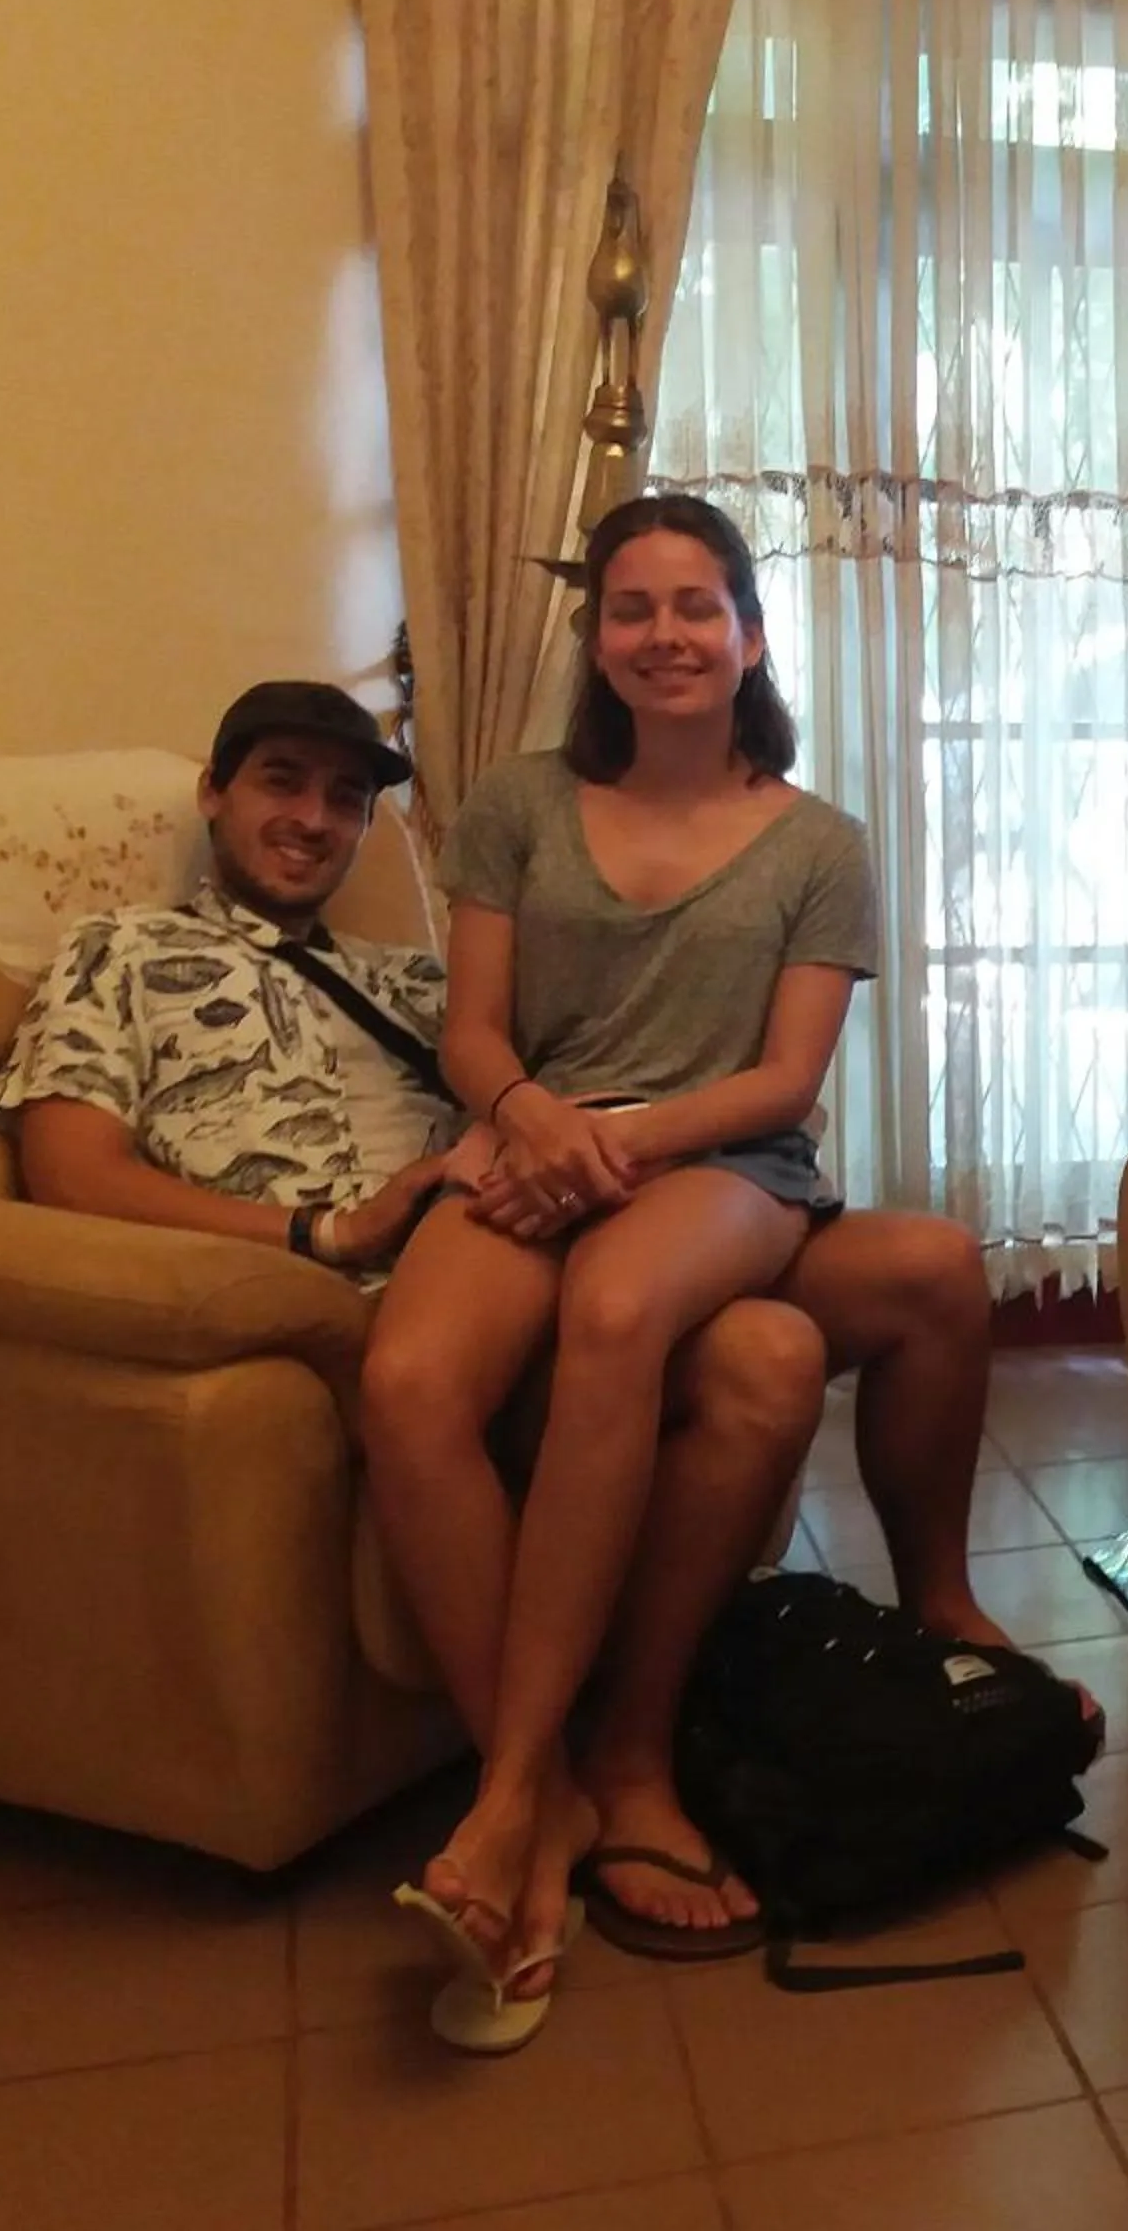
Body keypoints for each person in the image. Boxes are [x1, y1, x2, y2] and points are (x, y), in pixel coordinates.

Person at [0, 678, 825, 2038]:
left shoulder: (422, 985)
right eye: (279, 780)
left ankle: (624, 1751)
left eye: (342, 796)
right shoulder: (121, 953)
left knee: (774, 1353)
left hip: (516, 1249)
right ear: (214, 793)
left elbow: (557, 1093)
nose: (312, 819)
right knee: (453, 1370)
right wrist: (321, 1227)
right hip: (321, 1289)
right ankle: (540, 1790)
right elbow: (68, 1165)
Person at [350, 493, 961, 2026]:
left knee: (622, 1306)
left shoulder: (823, 841)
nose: (668, 633)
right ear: (598, 638)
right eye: (635, 607)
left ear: (749, 634)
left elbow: (783, 1081)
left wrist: (611, 1147)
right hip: (526, 1136)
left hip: (718, 1162)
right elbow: (473, 1029)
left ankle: (519, 1802)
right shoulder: (515, 801)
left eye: (700, 605)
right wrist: (535, 1122)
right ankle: (540, 1787)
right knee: (411, 1375)